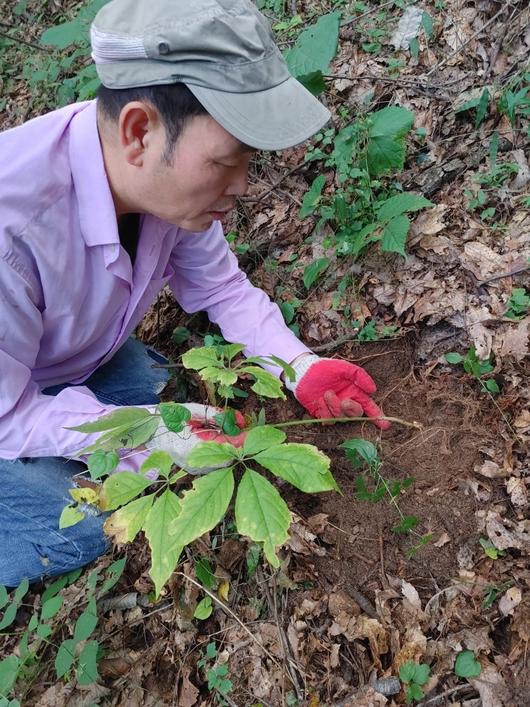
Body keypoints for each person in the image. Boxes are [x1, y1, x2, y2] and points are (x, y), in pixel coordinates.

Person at [0, 0, 389, 587]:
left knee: (155, 392)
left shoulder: (159, 182)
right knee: (85, 524)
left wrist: (300, 367)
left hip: (48, 358)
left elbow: (221, 285)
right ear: (139, 130)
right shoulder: (14, 229)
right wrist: (144, 430)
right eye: (226, 162)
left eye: (248, 163)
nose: (241, 187)